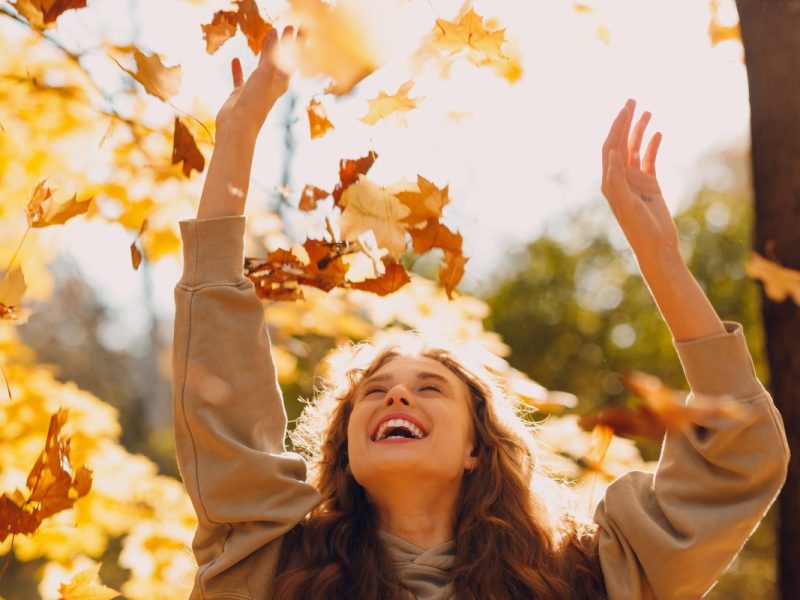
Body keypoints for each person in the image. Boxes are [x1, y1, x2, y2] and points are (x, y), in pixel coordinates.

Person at [172, 26, 789, 599]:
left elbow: (737, 456)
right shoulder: (277, 571)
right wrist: (237, 138)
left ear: (477, 446)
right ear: (343, 454)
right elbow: (222, 402)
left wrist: (661, 260)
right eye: (375, 391)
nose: (395, 399)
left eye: (429, 387)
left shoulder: (582, 575)